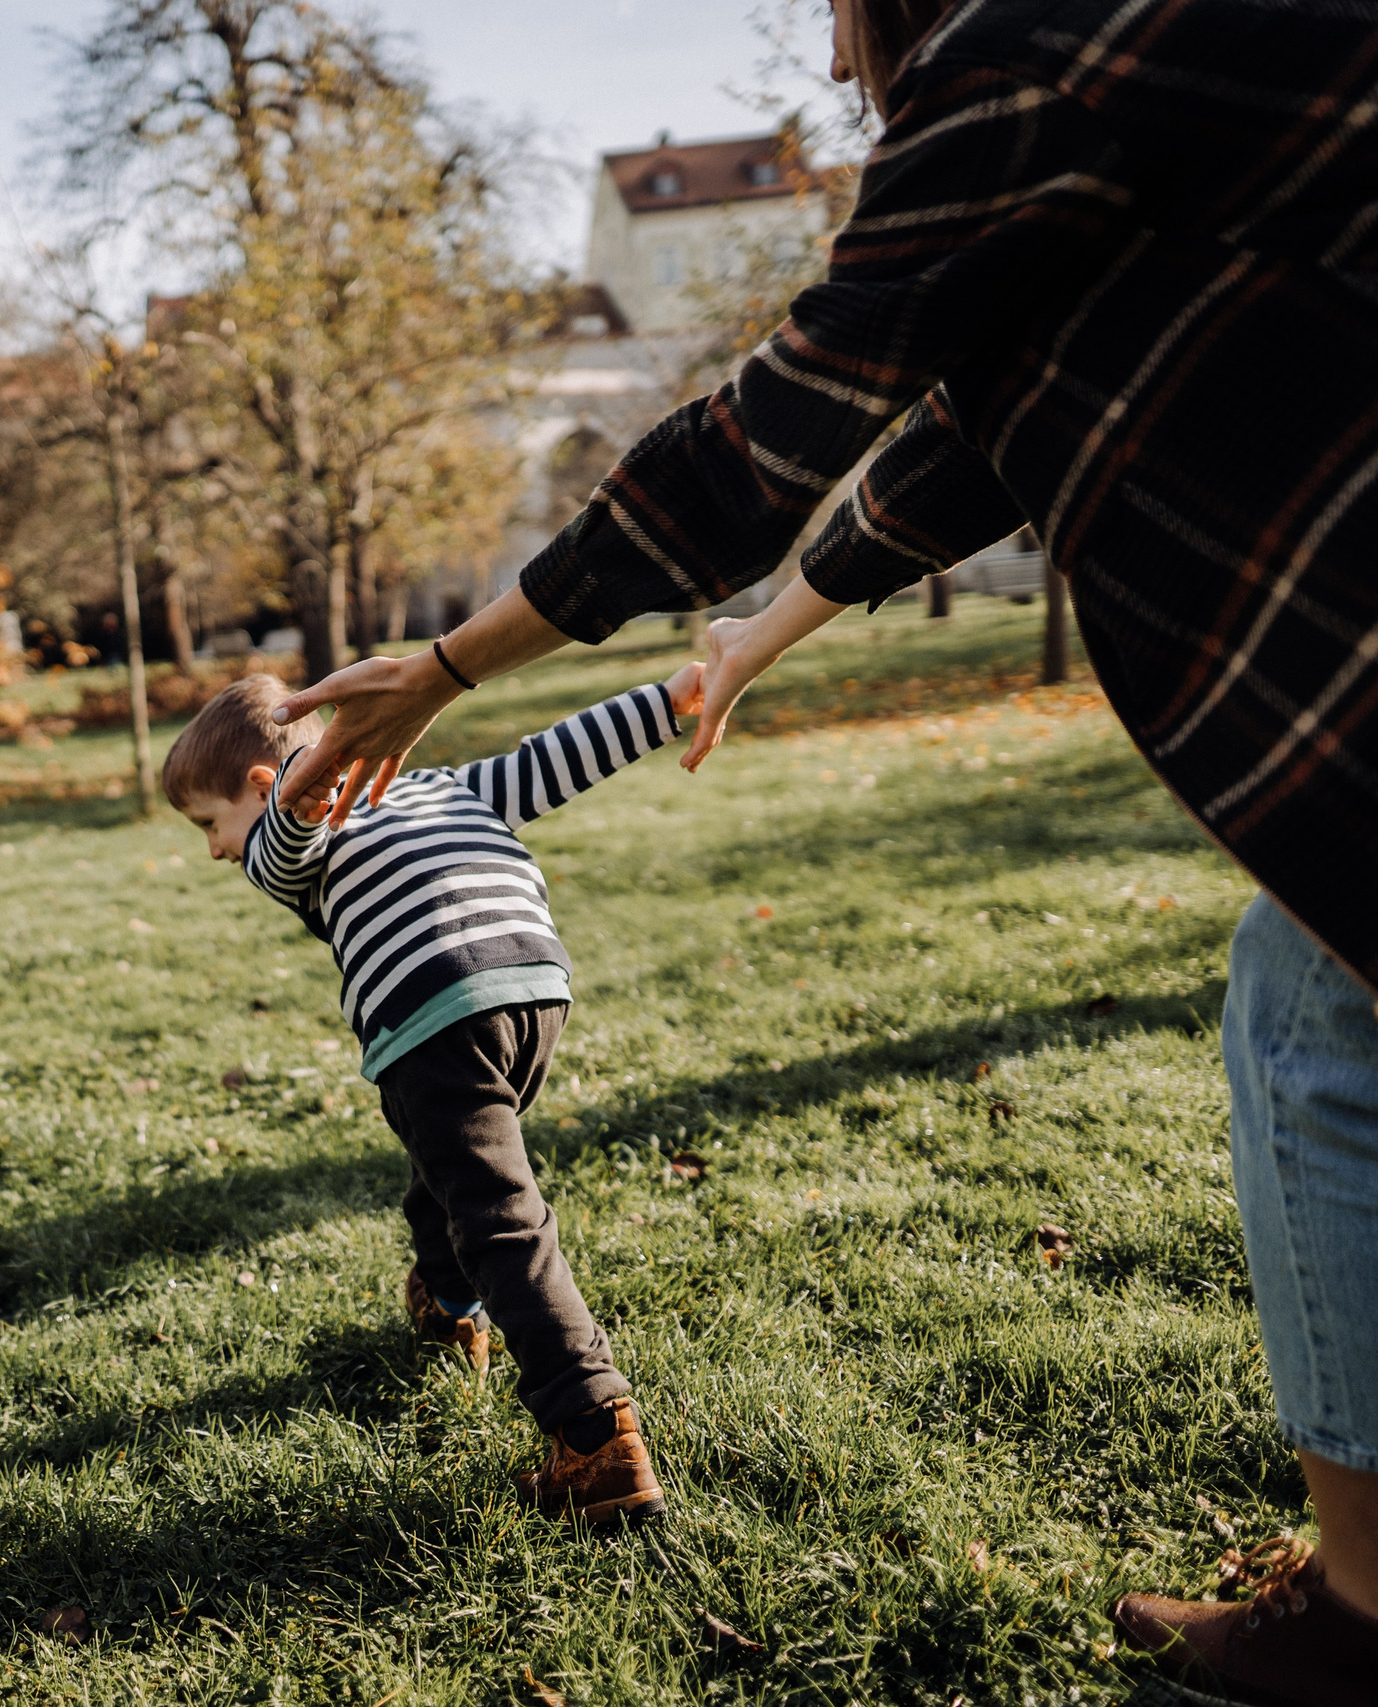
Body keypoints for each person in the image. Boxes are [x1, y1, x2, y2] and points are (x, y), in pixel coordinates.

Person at [260, 0, 1378, 1699]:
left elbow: (766, 434)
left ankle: (1367, 1607)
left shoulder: (1024, 56)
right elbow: (970, 426)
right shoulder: (1123, 65)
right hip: (530, 987)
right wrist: (755, 635)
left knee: (1312, 1020)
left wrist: (439, 667)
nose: (840, 69)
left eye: (838, 25)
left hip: (439, 1025)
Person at [161, 663, 703, 1527]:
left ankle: (595, 1434)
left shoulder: (287, 835)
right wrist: (669, 700)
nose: (218, 848)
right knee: (451, 1168)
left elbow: (285, 837)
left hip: (431, 1015)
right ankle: (448, 1301)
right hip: (532, 992)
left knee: (499, 1215)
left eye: (211, 822)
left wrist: (307, 785)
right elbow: (556, 757)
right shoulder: (454, 787)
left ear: (264, 786)